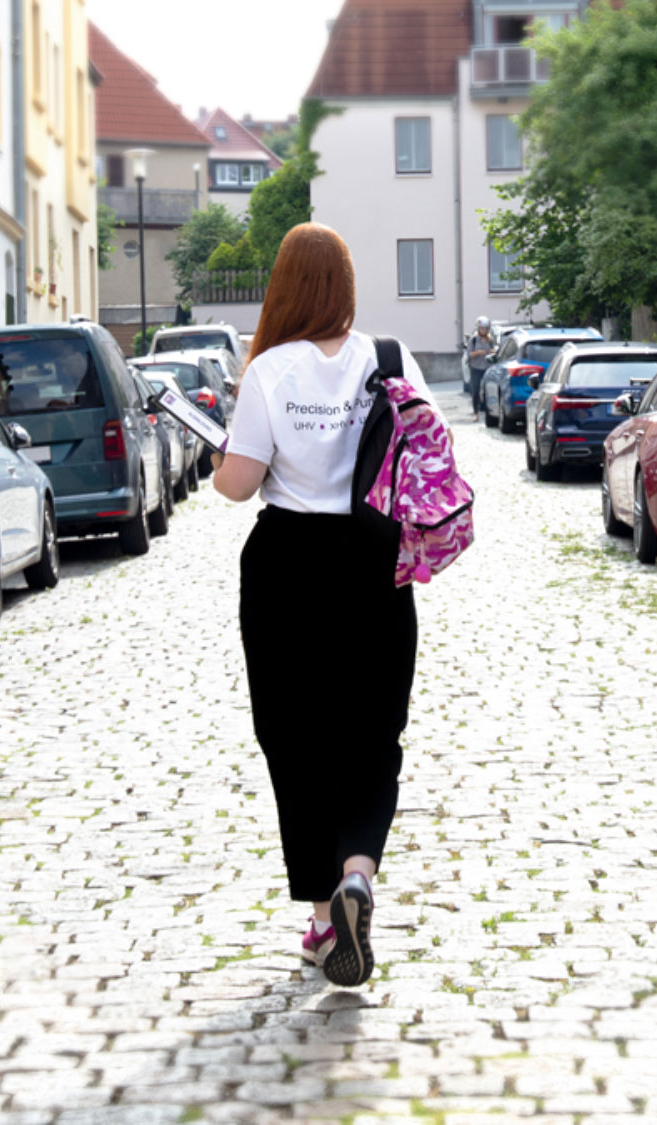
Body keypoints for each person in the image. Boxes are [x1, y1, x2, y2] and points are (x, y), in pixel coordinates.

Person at [211, 223, 427, 988]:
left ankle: (321, 914)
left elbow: (239, 484)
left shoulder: (269, 370)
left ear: (285, 287)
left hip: (287, 569)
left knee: (295, 734)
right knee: (374, 728)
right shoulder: (389, 359)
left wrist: (218, 463)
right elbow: (423, 454)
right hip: (375, 561)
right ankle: (358, 875)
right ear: (345, 285)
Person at [465, 317, 496, 404]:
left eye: (486, 329)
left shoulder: (490, 340)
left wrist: (492, 352)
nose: (484, 330)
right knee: (476, 390)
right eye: (482, 328)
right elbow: (469, 354)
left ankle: (486, 409)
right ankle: (475, 412)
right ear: (479, 329)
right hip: (476, 367)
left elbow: (495, 351)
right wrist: (478, 353)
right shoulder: (473, 340)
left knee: (487, 390)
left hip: (487, 367)